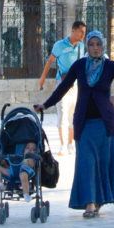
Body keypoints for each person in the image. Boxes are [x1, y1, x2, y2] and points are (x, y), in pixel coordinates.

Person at [36, 29, 114, 218]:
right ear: (87, 46)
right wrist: (45, 104)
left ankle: (97, 201)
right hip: (84, 124)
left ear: (103, 46)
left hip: (106, 124)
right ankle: (89, 202)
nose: (95, 48)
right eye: (91, 44)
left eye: (98, 44)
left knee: (103, 164)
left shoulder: (110, 66)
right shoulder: (80, 65)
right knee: (86, 163)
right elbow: (63, 88)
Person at [38, 19, 87, 155]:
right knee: (62, 113)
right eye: (81, 32)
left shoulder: (81, 46)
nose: (83, 35)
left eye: (84, 32)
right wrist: (42, 79)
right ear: (73, 31)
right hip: (63, 83)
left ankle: (71, 144)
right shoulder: (59, 45)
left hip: (77, 85)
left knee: (74, 114)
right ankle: (63, 145)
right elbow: (49, 62)